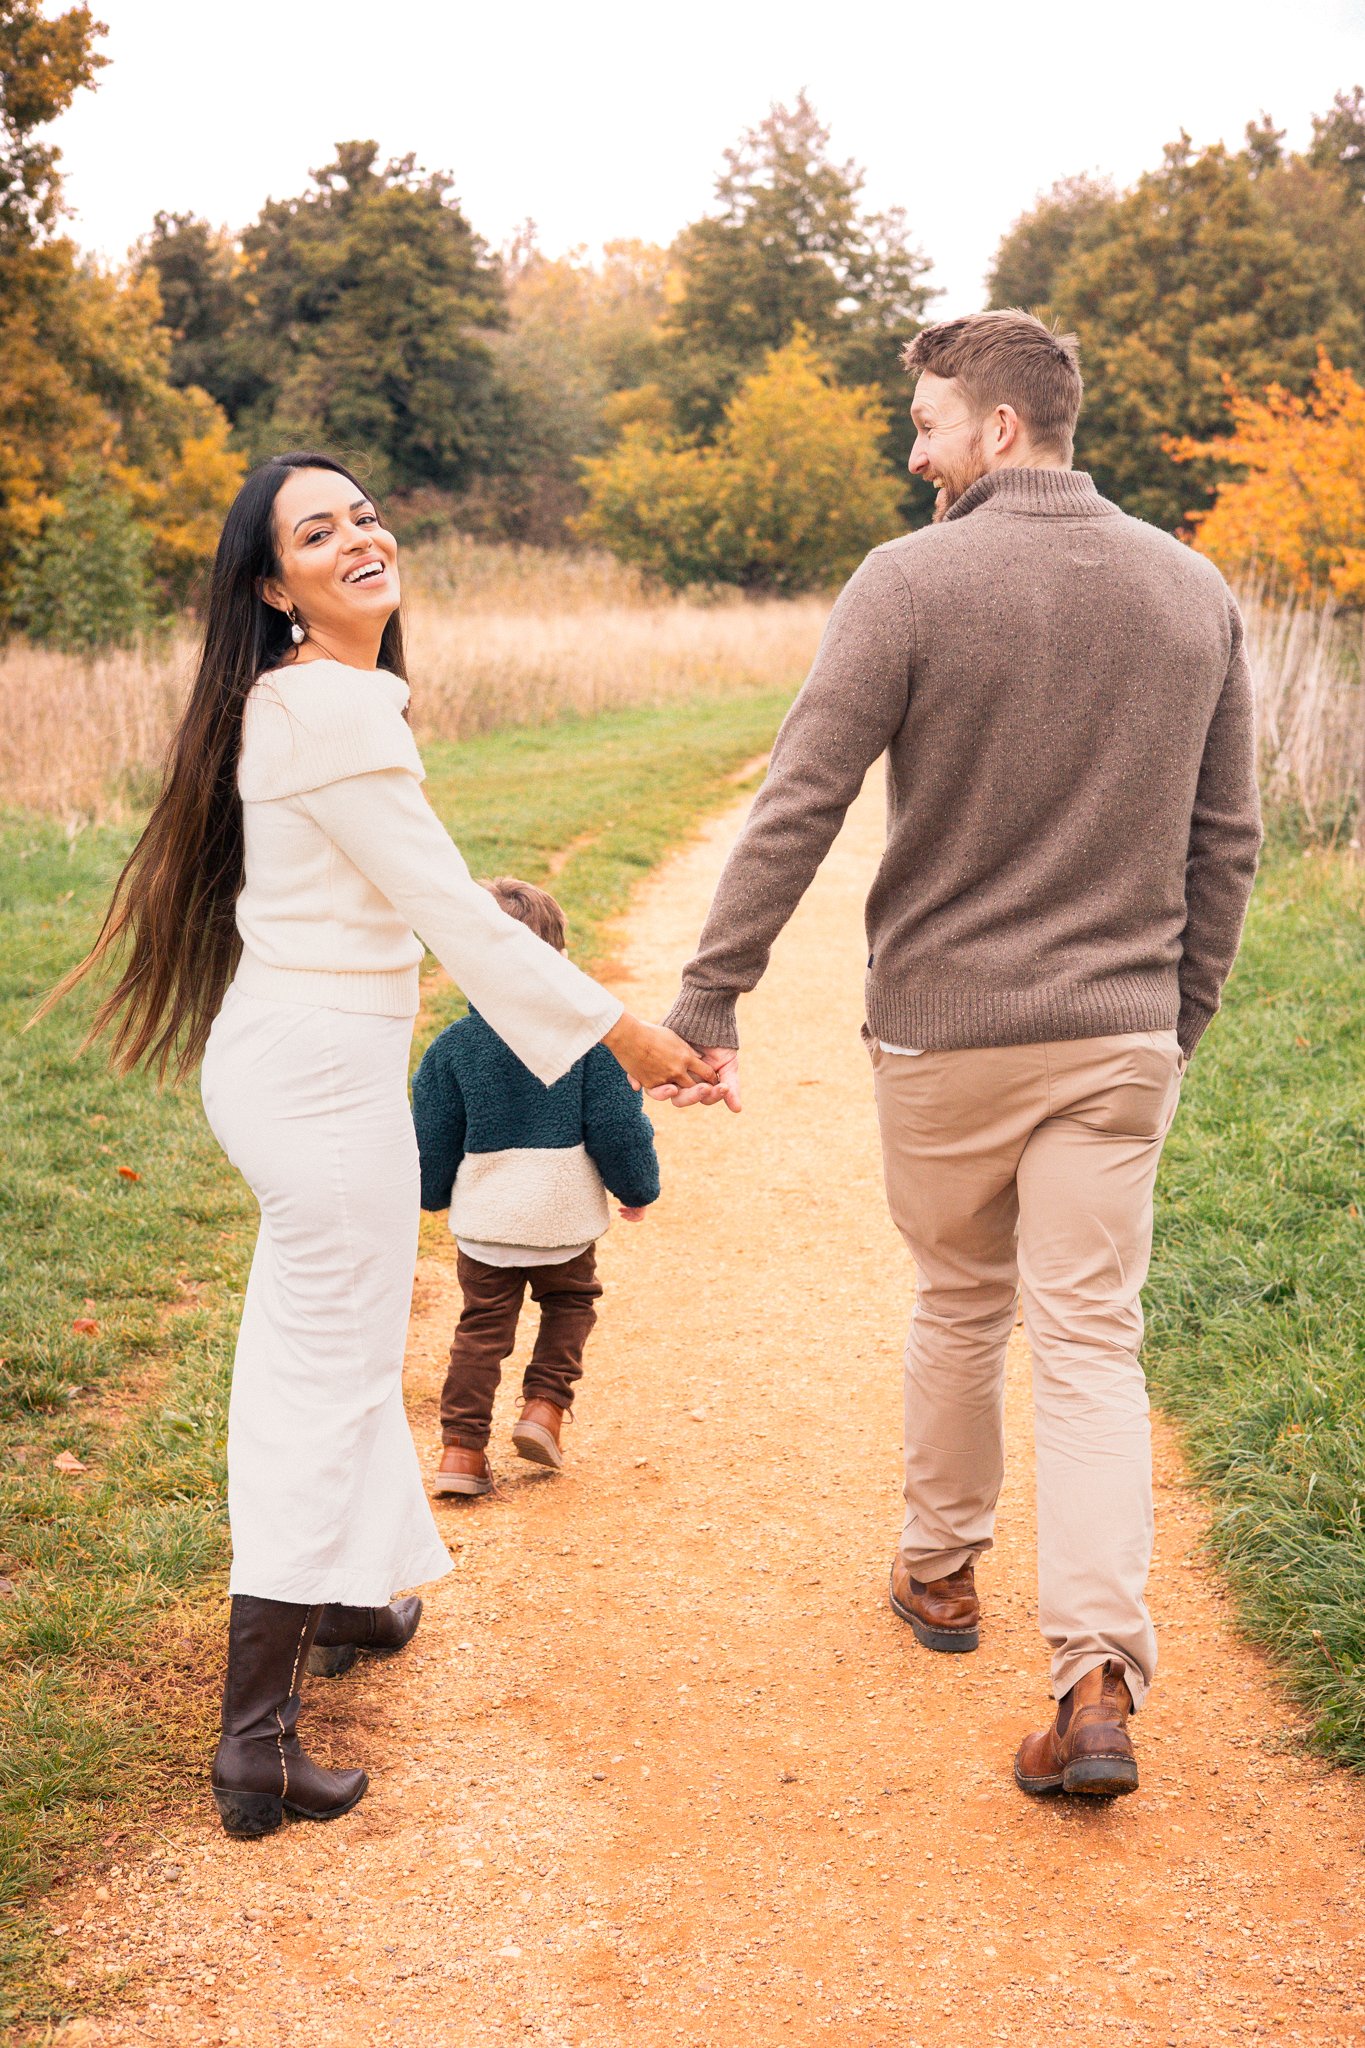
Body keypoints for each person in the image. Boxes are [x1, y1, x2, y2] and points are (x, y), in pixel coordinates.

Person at [44, 453, 714, 1840]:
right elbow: (454, 916)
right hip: (317, 1088)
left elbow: (412, 889)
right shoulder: (329, 708)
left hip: (301, 1066)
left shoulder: (308, 702)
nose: (357, 538)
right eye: (315, 530)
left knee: (329, 1359)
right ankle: (256, 1745)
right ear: (272, 585)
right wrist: (628, 1039)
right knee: (319, 1383)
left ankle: (347, 1597)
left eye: (360, 514)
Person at [658, 312, 1261, 1797]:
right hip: (1119, 1036)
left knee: (959, 1296)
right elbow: (1226, 839)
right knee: (1092, 1344)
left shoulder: (909, 582)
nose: (911, 451)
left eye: (926, 423)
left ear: (996, 430)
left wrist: (710, 995)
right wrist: (1175, 1019)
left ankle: (938, 1574)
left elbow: (799, 798)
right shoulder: (1194, 590)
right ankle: (1098, 1678)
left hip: (945, 1032)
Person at [412, 878, 661, 1497]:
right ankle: (544, 1408)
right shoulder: (589, 1045)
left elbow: (432, 1141)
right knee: (570, 1303)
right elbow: (616, 1127)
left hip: (488, 1222)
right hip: (564, 1219)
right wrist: (637, 1188)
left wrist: (435, 1193)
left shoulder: (451, 1051)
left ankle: (461, 1453)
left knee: (481, 1329)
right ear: (559, 962)